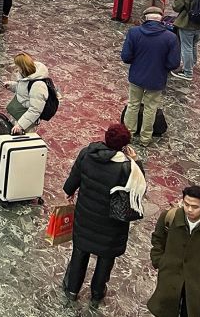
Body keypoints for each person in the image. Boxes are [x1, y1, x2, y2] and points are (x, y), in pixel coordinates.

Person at [62, 124, 146, 309]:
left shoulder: (87, 153)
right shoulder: (127, 167)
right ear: (125, 145)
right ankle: (97, 294)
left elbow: (71, 182)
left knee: (79, 253)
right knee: (105, 259)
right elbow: (140, 189)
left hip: (85, 217)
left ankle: (72, 289)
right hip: (111, 224)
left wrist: (69, 191)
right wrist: (136, 161)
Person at [147, 185, 200, 317]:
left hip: (196, 284)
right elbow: (158, 239)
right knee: (165, 311)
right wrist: (159, 261)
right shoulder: (169, 217)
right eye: (186, 204)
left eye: (195, 207)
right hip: (169, 277)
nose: (189, 209)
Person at [121, 6, 180, 145]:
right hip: (157, 79)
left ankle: (128, 134)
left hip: (136, 76)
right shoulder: (170, 37)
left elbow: (126, 56)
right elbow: (173, 63)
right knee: (150, 108)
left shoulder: (134, 32)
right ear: (161, 19)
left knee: (133, 104)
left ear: (145, 18)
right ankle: (145, 138)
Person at [5, 53, 50, 134]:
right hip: (20, 116)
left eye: (17, 66)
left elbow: (35, 110)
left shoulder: (38, 86)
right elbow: (25, 91)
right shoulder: (25, 77)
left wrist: (20, 125)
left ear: (23, 67)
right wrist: (12, 86)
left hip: (27, 123)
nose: (16, 69)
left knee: (23, 142)